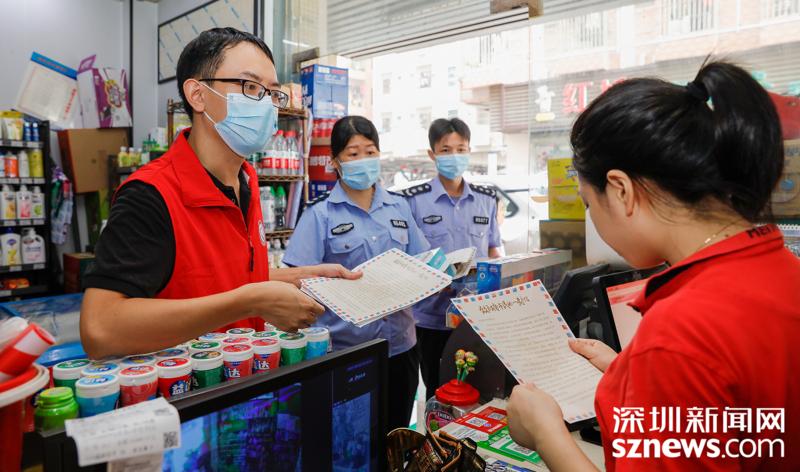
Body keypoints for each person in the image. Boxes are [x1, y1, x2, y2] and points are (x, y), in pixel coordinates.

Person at [506, 61, 800, 471]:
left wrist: (545, 433)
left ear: (621, 190)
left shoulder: (679, 334)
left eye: (590, 204)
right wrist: (629, 373)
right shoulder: (779, 265)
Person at [80, 28, 360, 359]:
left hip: (244, 380)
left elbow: (218, 275)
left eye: (273, 93)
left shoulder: (247, 180)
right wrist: (252, 301)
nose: (267, 104)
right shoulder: (150, 194)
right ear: (198, 95)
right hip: (185, 392)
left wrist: (299, 278)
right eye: (251, 86)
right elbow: (100, 329)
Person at [283, 115, 430, 431]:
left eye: (370, 151)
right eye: (353, 154)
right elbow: (293, 283)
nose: (363, 160)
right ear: (335, 161)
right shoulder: (318, 216)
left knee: (396, 437)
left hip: (401, 348)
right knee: (351, 444)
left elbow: (423, 263)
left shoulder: (399, 208)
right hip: (345, 353)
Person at [400, 118, 502, 401]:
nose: (454, 156)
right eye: (446, 150)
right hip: (430, 318)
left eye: (461, 148)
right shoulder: (412, 201)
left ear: (469, 152)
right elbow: (404, 258)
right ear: (432, 154)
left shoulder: (486, 199)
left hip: (476, 316)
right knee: (438, 393)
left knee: (478, 391)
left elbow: (494, 249)